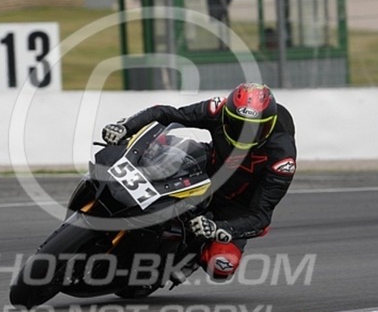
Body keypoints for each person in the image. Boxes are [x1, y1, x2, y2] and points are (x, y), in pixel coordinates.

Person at [102, 83, 296, 282]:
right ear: (227, 115)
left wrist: (219, 227)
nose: (245, 135)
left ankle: (192, 256)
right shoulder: (218, 109)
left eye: (255, 129)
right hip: (205, 169)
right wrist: (126, 127)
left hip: (237, 206)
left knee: (222, 265)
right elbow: (167, 113)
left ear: (269, 125)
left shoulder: (282, 159)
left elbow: (261, 217)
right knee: (160, 144)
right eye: (238, 125)